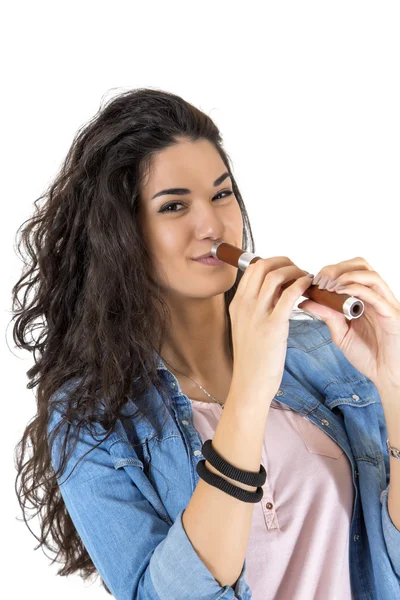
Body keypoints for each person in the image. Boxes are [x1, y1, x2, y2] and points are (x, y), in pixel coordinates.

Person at [12, 88, 400, 600]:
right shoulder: (88, 417)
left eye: (221, 194)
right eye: (174, 206)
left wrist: (393, 382)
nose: (212, 225)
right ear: (122, 234)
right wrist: (250, 390)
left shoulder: (326, 352)